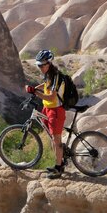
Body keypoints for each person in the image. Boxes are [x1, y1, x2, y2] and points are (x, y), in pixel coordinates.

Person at [25, 49, 66, 179]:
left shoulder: (55, 76)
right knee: (53, 139)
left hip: (56, 110)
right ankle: (60, 161)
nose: (40, 67)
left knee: (56, 140)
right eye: (39, 65)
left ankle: (58, 169)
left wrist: (35, 92)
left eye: (42, 65)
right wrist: (36, 88)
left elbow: (51, 98)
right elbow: (46, 85)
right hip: (48, 109)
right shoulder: (49, 74)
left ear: (49, 63)